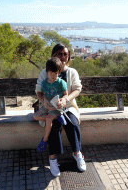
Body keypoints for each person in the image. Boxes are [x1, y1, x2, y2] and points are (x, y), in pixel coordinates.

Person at [35, 43, 86, 177]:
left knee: (72, 123)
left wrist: (65, 99)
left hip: (68, 106)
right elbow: (39, 91)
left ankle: (77, 153)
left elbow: (77, 89)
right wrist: (43, 101)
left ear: (68, 56)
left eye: (65, 54)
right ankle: (53, 158)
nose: (63, 57)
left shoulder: (71, 72)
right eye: (59, 54)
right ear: (54, 55)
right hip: (50, 107)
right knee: (54, 126)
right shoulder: (45, 72)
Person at [33, 57, 68, 152]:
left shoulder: (61, 83)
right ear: (47, 72)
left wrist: (62, 100)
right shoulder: (44, 83)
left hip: (57, 108)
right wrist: (45, 102)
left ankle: (44, 140)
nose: (53, 75)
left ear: (59, 72)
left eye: (56, 73)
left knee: (48, 119)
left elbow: (65, 94)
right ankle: (57, 118)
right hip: (48, 106)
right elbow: (44, 95)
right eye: (51, 73)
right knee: (35, 116)